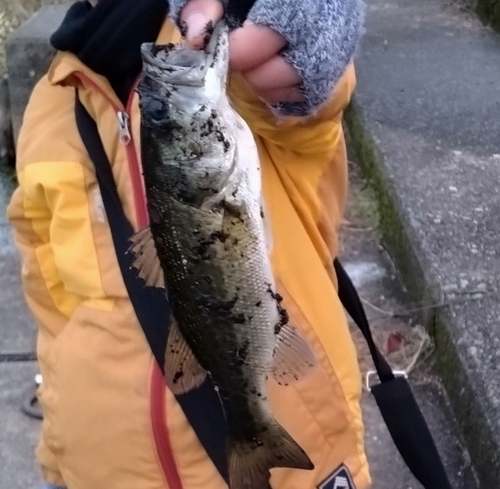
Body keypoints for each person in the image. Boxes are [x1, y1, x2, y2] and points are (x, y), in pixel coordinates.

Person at [7, 0, 369, 487]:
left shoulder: (215, 58)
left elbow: (305, 104)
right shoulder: (47, 112)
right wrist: (59, 459)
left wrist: (309, 25)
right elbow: (53, 318)